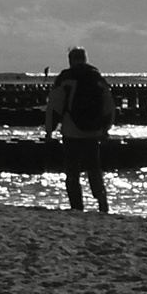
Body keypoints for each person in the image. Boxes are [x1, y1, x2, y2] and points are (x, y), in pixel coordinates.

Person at [44, 47, 114, 213]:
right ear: (85, 58)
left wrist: (49, 131)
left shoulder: (65, 78)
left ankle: (77, 207)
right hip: (93, 132)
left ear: (70, 60)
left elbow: (54, 106)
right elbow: (108, 106)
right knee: (94, 169)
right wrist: (106, 129)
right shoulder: (96, 77)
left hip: (71, 131)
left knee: (72, 171)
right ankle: (102, 203)